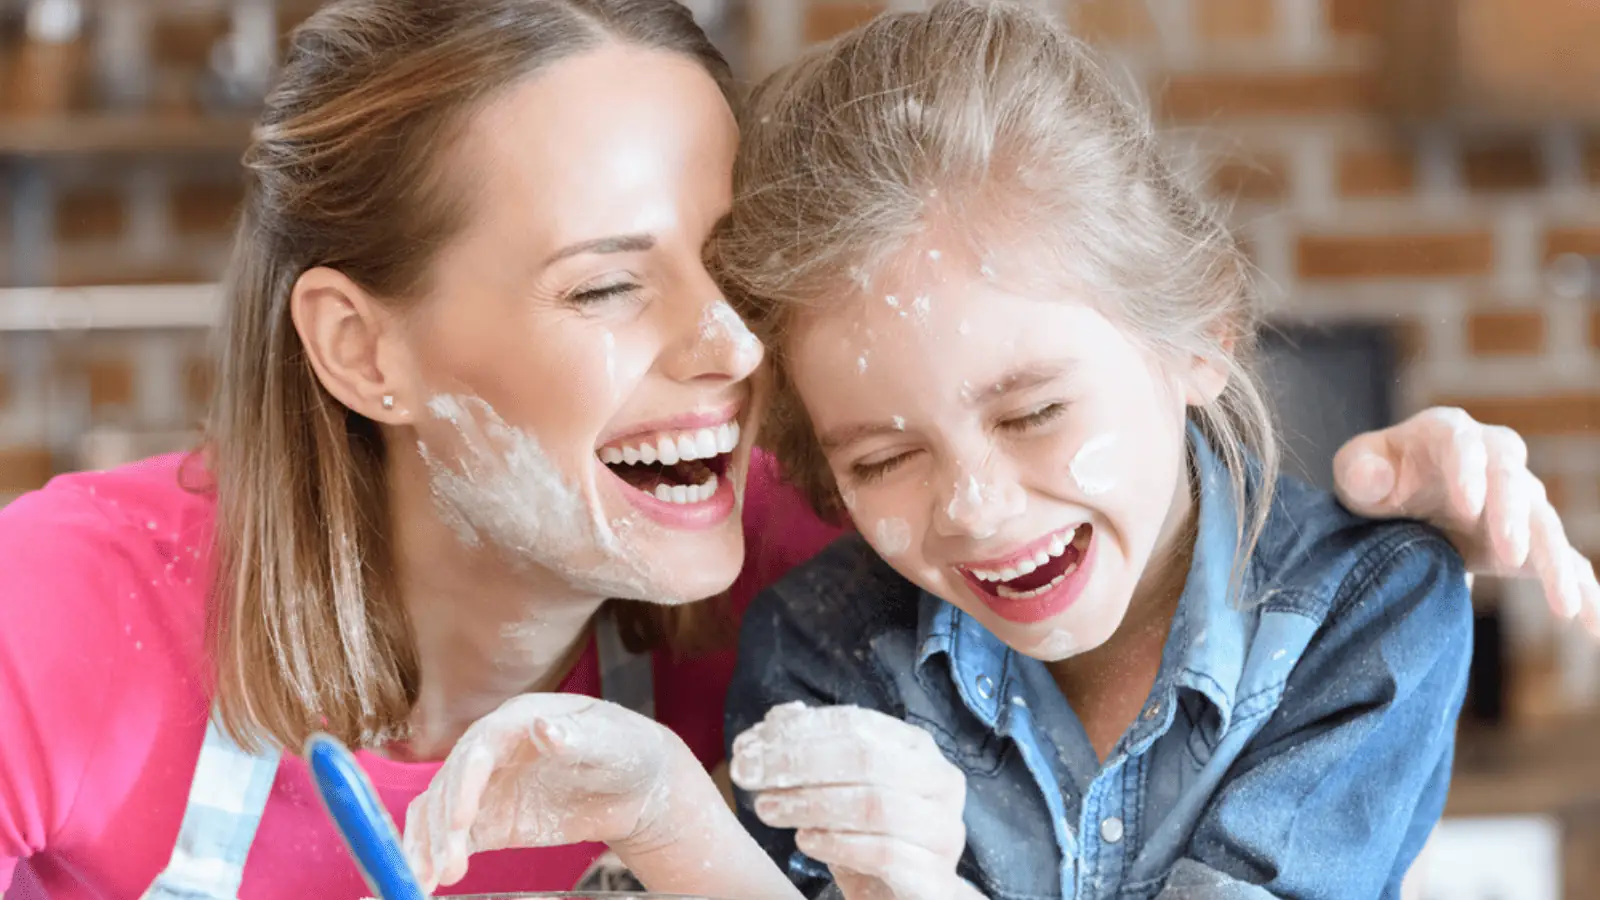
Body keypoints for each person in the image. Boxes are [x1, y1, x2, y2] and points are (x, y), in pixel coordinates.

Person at [0, 0, 1591, 898]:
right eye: (611, 285)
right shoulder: (55, 617)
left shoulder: (826, 585)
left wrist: (1355, 484)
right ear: (366, 348)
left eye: (734, 267)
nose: (736, 348)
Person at [693, 2, 1594, 898]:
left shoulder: (1368, 612)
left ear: (1199, 334)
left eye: (1033, 413)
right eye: (882, 461)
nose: (972, 506)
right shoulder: (819, 649)